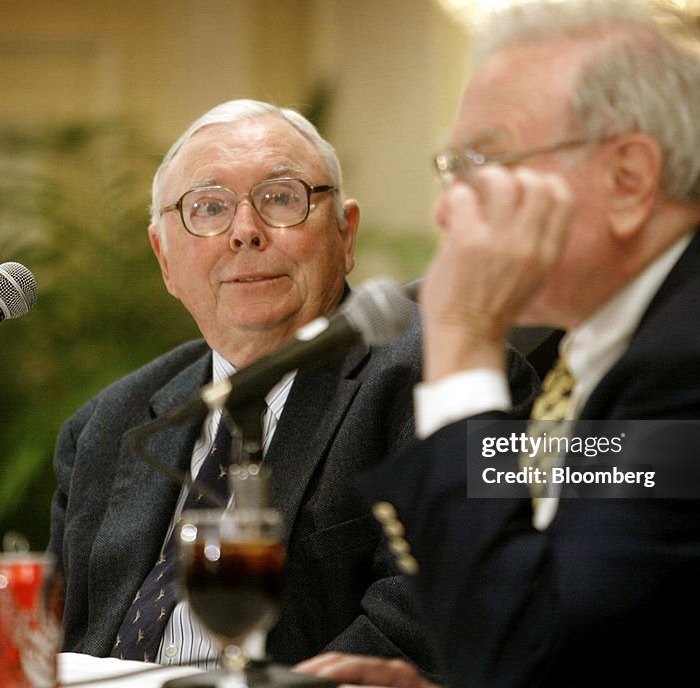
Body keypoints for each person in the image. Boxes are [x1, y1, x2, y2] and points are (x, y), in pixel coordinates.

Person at [296, 1, 700, 686]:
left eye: (483, 161)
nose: (448, 208)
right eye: (452, 168)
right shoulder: (654, 330)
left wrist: (462, 345)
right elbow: (601, 636)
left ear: (628, 179)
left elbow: (525, 658)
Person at [46, 99, 536, 676]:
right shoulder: (109, 425)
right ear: (165, 259)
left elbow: (429, 615)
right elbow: (52, 635)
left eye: (280, 199)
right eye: (209, 208)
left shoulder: (435, 379)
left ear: (345, 232)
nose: (245, 232)